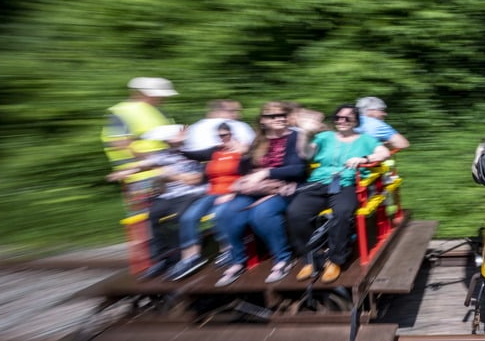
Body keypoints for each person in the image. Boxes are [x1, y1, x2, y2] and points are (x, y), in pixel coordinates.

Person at [287, 104, 391, 283]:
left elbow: (384, 152)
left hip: (345, 183)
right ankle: (311, 259)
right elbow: (306, 153)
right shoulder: (324, 137)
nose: (342, 121)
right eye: (338, 118)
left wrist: (364, 159)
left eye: (347, 118)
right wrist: (304, 133)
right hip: (319, 182)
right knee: (295, 213)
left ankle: (335, 260)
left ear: (356, 120)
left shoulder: (365, 139)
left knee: (342, 213)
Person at [214, 101, 307, 286]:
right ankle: (238, 260)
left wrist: (266, 172)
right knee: (227, 212)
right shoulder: (258, 141)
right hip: (255, 189)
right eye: (274, 116)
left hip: (284, 188)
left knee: (262, 213)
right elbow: (244, 169)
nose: (280, 118)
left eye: (283, 115)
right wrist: (240, 158)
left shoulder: (295, 137)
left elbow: (298, 169)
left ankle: (282, 257)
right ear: (263, 121)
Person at [106, 124, 207, 279]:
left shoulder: (193, 153)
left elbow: (195, 179)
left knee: (178, 217)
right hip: (170, 195)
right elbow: (144, 165)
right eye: (166, 140)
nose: (168, 142)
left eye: (171, 138)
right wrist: (125, 171)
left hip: (191, 193)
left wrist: (172, 176)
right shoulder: (164, 154)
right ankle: (161, 258)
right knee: (153, 216)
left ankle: (185, 255)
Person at [167, 122, 243, 281]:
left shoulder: (242, 151)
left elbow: (249, 172)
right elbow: (190, 155)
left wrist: (234, 191)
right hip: (213, 192)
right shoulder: (215, 151)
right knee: (188, 216)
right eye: (219, 136)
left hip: (233, 192)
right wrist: (178, 145)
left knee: (219, 214)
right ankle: (190, 257)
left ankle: (228, 250)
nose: (222, 139)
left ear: (232, 134)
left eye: (225, 135)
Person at [182, 99, 255, 154]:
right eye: (232, 111)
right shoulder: (238, 125)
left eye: (238, 112)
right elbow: (253, 145)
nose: (238, 115)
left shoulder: (193, 127)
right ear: (216, 111)